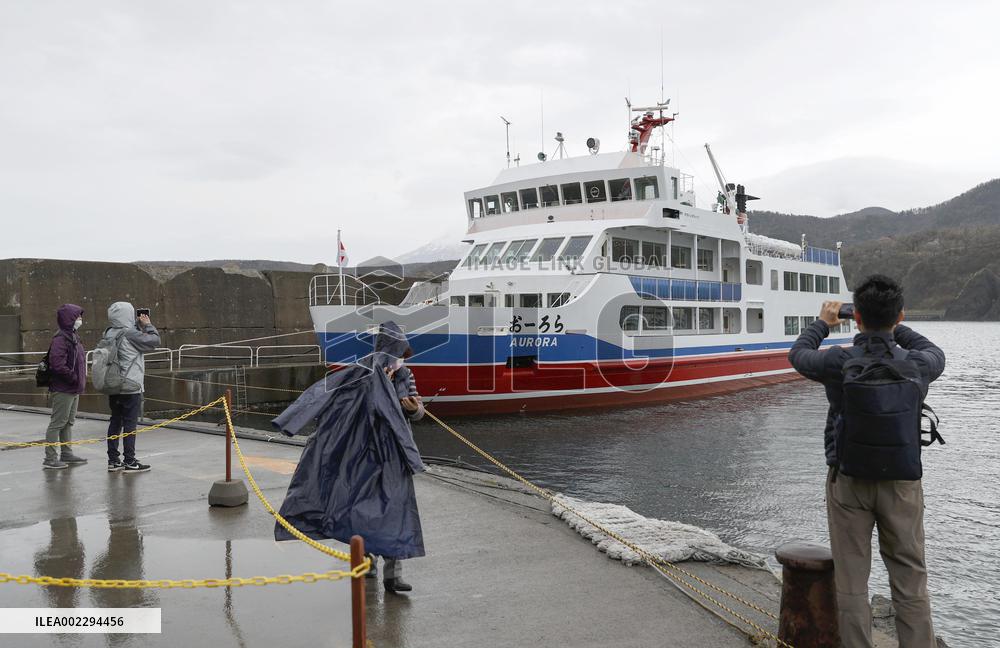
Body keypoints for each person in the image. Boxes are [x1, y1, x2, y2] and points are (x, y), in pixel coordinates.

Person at [788, 274, 945, 648]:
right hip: (903, 483)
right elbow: (935, 350)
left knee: (852, 582)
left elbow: (797, 354)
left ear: (855, 317)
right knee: (910, 577)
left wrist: (823, 323)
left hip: (848, 481)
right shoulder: (919, 364)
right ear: (900, 315)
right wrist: (896, 329)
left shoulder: (839, 361)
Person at [272, 321, 425, 593]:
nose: (401, 360)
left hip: (393, 453)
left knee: (396, 508)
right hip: (363, 451)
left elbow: (417, 410)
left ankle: (393, 574)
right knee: (363, 508)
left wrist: (413, 410)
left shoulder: (405, 376)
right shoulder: (361, 372)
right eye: (399, 354)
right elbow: (327, 396)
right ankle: (368, 564)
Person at [103, 302, 160, 473]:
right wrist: (148, 325)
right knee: (129, 424)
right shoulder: (130, 333)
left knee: (115, 421)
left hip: (113, 384)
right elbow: (154, 341)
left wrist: (136, 326)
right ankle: (130, 461)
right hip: (130, 385)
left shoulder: (109, 332)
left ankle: (113, 460)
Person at [42, 304, 88, 470]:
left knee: (68, 422)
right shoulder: (61, 339)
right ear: (70, 319)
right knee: (58, 422)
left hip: (73, 388)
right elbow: (57, 364)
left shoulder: (73, 336)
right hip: (64, 388)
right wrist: (73, 377)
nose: (80, 320)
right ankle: (50, 457)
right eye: (78, 317)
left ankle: (66, 452)